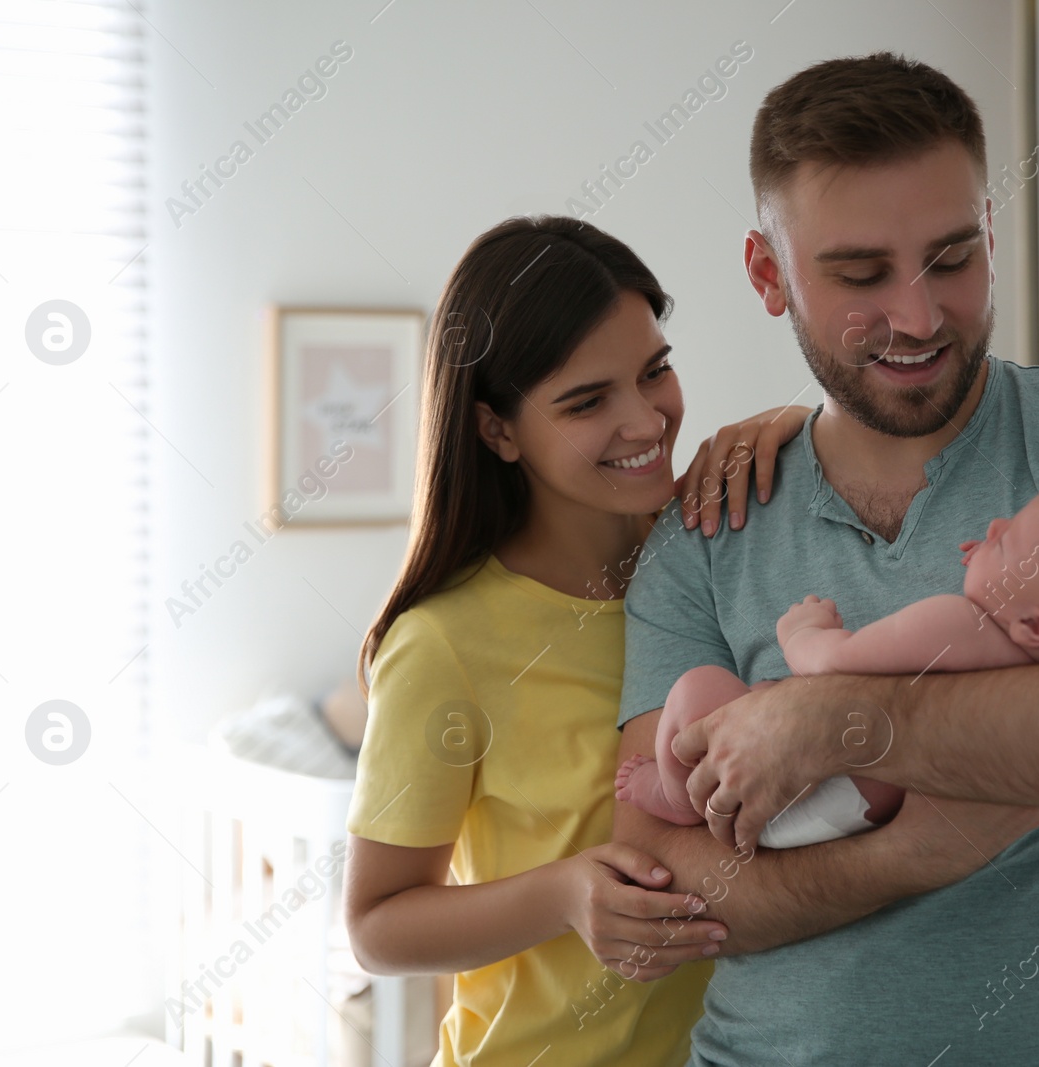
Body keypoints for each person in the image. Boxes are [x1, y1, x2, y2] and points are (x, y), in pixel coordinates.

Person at [611, 53, 1039, 1065]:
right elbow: (671, 886)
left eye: (951, 256)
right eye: (859, 275)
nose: (921, 317)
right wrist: (907, 854)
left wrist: (836, 721)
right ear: (767, 273)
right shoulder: (706, 524)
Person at [341, 214, 818, 1067]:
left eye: (655, 371)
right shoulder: (444, 642)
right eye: (587, 401)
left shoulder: (718, 549)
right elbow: (377, 928)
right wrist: (563, 894)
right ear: (497, 430)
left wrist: (794, 425)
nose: (645, 420)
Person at [615, 482, 1039, 849]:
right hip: (847, 806)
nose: (994, 524)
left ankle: (675, 795)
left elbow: (834, 667)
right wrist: (997, 561)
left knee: (699, 688)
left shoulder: (960, 622)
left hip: (810, 797)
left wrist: (804, 631)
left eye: (1008, 542)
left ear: (1036, 625)